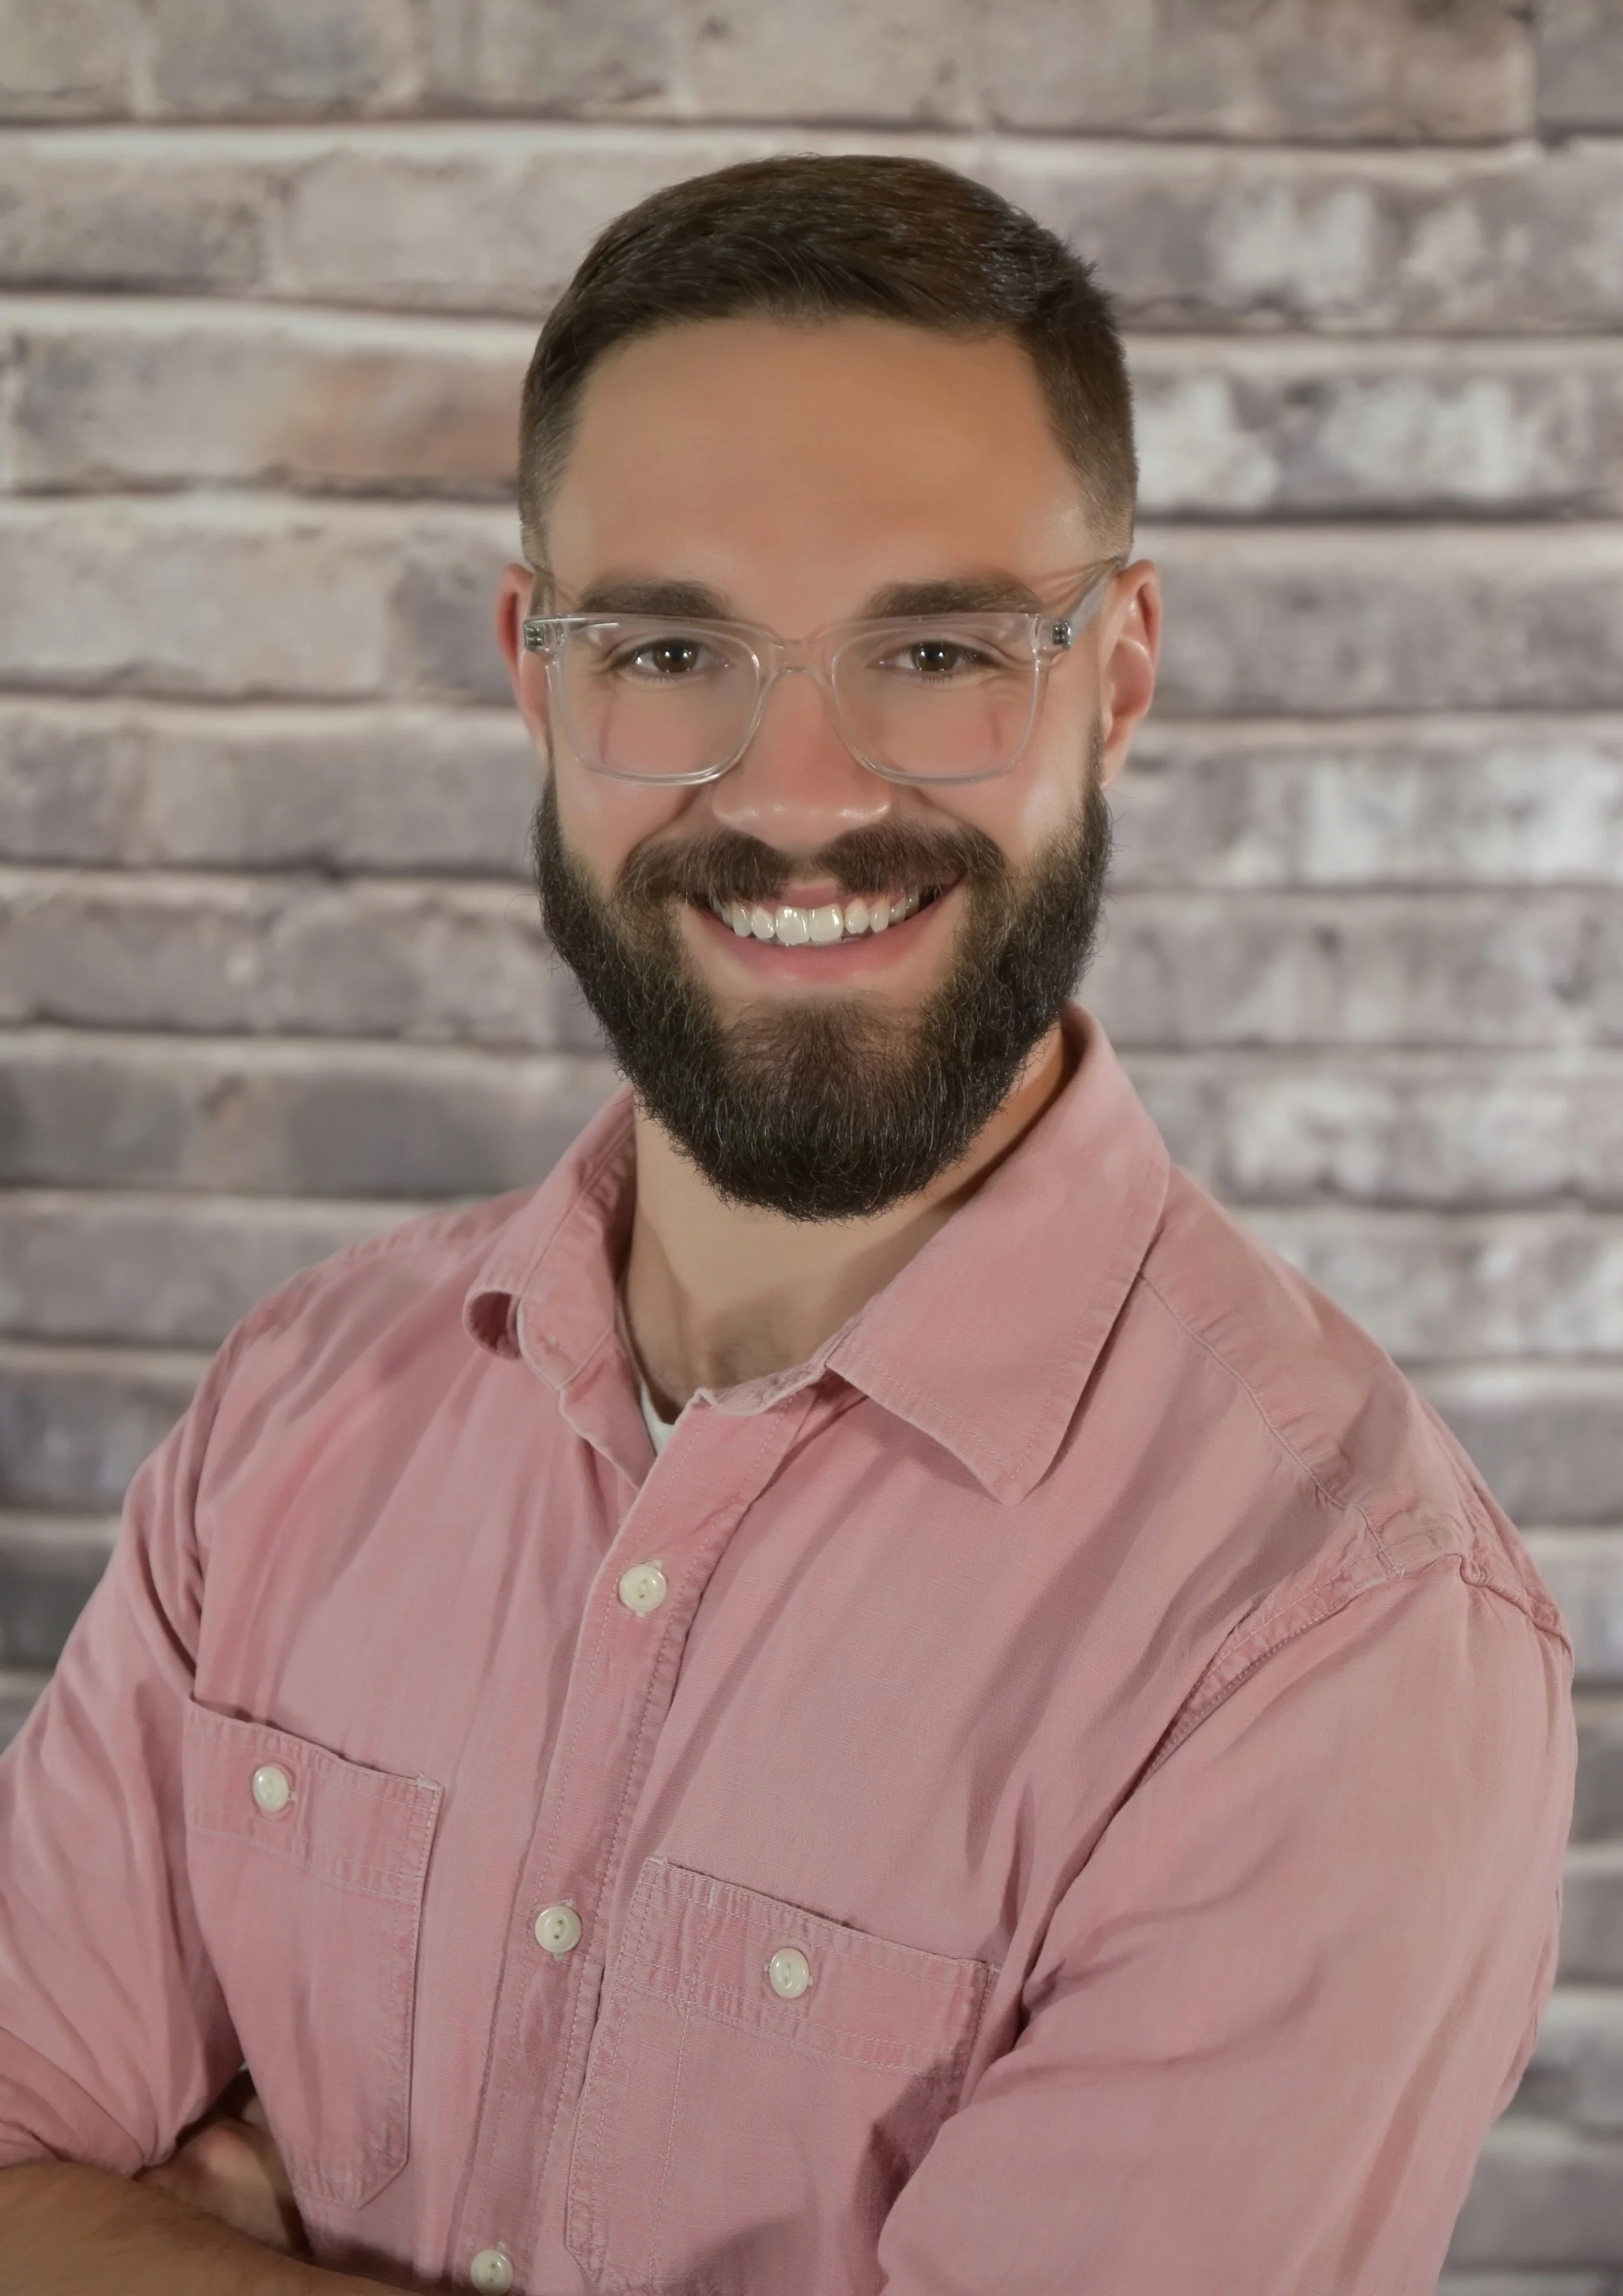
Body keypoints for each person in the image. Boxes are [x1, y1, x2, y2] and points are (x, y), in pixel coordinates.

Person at [0, 156, 1574, 2296]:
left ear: (1113, 674)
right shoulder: (297, 1407)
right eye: (671, 645)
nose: (801, 793)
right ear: (536, 679)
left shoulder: (1334, 1636)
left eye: (933, 649)